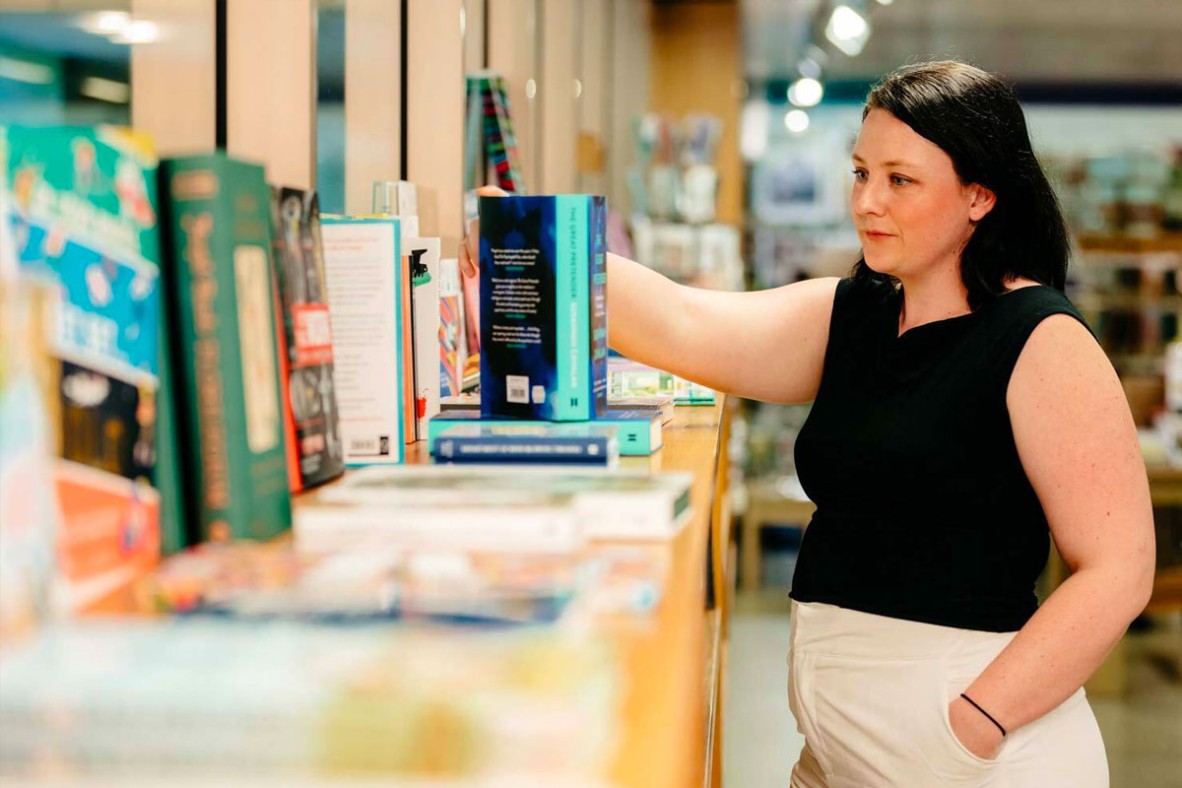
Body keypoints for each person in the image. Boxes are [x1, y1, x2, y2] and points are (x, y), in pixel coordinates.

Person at [461, 61, 1155, 787]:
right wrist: (528, 235)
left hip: (971, 760)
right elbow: (684, 321)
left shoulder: (1040, 338)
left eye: (900, 180)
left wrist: (971, 723)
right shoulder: (852, 313)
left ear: (979, 195)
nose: (868, 202)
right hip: (839, 755)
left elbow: (1120, 568)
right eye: (860, 174)